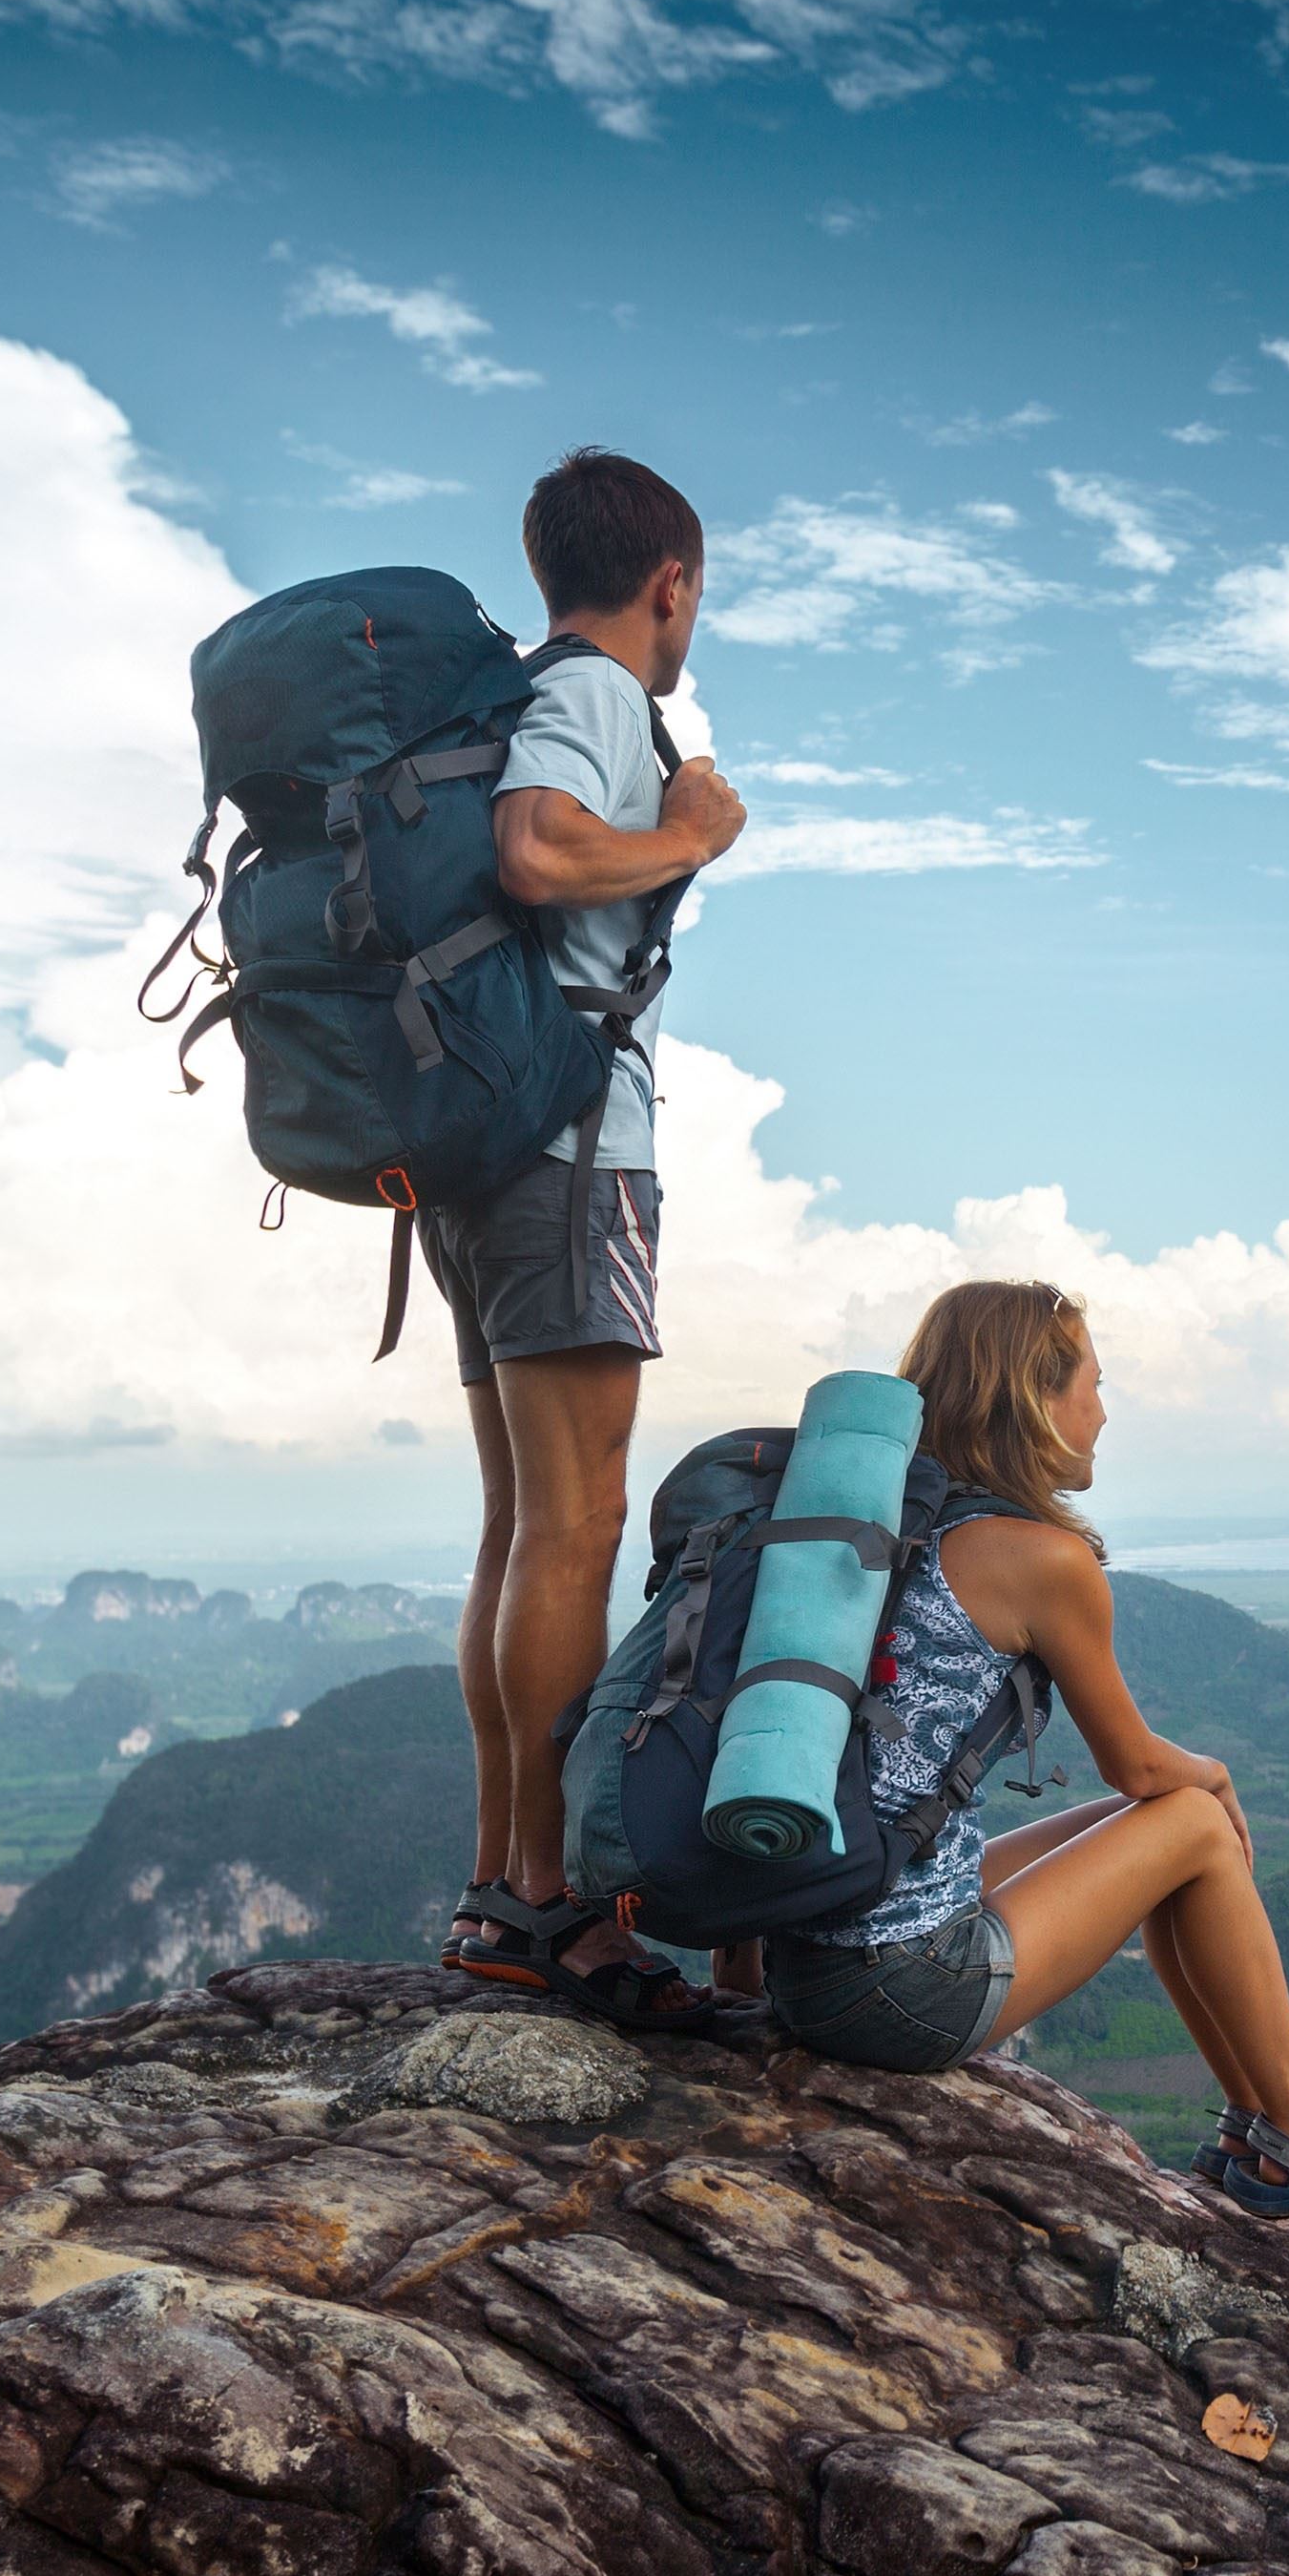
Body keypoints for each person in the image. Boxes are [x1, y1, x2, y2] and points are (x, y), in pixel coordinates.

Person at [762, 1278, 1289, 2214]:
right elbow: (1141, 1765)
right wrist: (1217, 1774)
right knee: (1189, 1818)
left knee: (1151, 1826)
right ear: (1035, 1400)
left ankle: (1255, 2121)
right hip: (900, 1989)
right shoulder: (1038, 1557)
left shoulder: (882, 1530)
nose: (1104, 1414)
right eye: (1092, 1385)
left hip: (806, 1962)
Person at [439, 450, 750, 2026]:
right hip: (569, 1153)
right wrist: (692, 834)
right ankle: (550, 1908)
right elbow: (541, 851)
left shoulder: (519, 688)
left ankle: (509, 1889)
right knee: (575, 1522)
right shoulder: (598, 700)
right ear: (670, 585)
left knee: (519, 1524)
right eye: (696, 596)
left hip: (486, 1152)